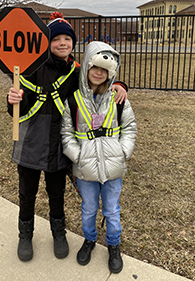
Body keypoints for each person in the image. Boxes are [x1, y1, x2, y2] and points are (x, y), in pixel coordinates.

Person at [7, 12, 128, 262]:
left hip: (60, 146)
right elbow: (19, 105)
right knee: (26, 194)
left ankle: (58, 233)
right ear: (47, 43)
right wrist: (13, 100)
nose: (62, 43)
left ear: (73, 43)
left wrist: (121, 85)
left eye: (67, 38)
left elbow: (98, 82)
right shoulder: (32, 68)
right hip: (30, 143)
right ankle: (25, 235)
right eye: (56, 39)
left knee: (56, 193)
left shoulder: (75, 72)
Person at [61, 41, 137, 273]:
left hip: (113, 168)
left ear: (110, 72)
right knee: (89, 208)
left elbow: (130, 127)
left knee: (112, 210)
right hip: (85, 169)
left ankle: (114, 245)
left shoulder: (118, 99)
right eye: (94, 67)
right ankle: (90, 239)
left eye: (104, 70)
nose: (98, 72)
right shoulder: (73, 100)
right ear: (86, 67)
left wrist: (123, 152)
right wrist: (79, 156)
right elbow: (66, 133)